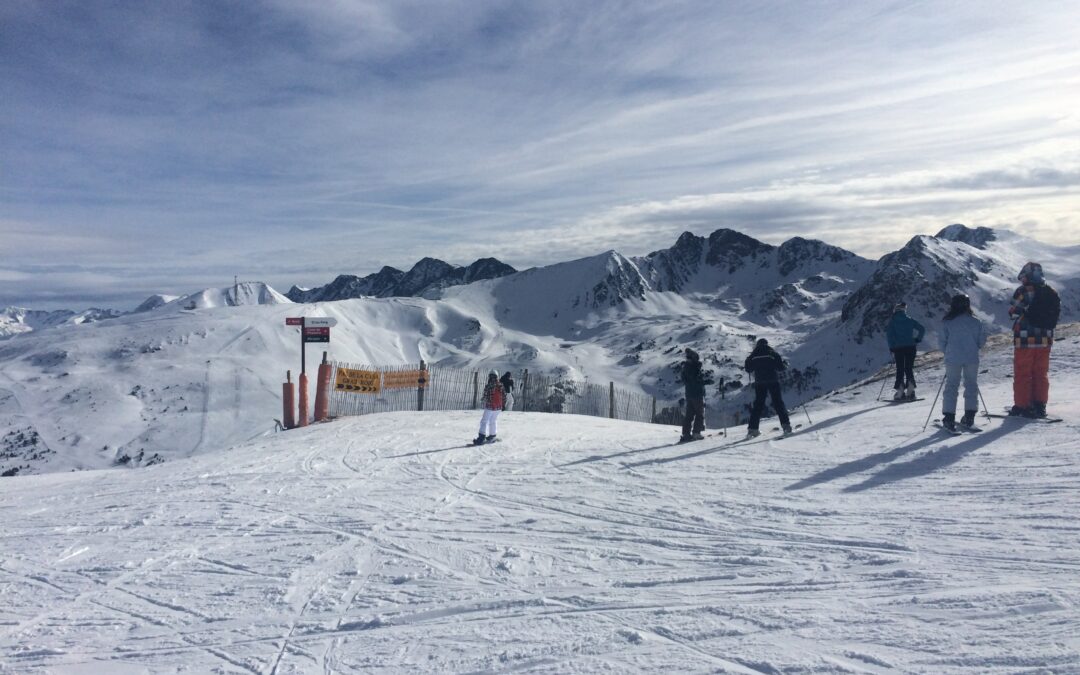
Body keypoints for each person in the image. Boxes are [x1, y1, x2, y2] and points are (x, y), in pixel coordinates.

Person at [1008, 262, 1060, 418]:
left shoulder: (1023, 291)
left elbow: (1014, 313)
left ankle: (1022, 406)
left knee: (1023, 373)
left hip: (1025, 340)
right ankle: (1040, 405)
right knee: (1041, 373)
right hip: (1045, 339)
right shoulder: (1052, 291)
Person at [939, 294, 986, 431]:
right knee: (971, 385)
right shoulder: (976, 322)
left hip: (953, 358)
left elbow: (942, 342)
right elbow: (981, 341)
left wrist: (947, 352)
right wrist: (973, 347)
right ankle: (969, 417)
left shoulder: (947, 322)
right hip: (971, 358)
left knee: (951, 386)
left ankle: (949, 419)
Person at [744, 338, 792, 437]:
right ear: (766, 344)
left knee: (758, 405)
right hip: (773, 380)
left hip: (759, 382)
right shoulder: (772, 353)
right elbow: (780, 367)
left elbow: (748, 369)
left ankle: (753, 429)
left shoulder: (754, 355)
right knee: (778, 403)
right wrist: (786, 365)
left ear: (758, 345)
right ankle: (786, 426)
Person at [885, 302, 926, 400]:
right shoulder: (909, 320)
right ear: (904, 310)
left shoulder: (892, 321)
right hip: (911, 347)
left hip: (898, 348)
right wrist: (917, 339)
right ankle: (911, 392)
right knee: (909, 368)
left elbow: (889, 336)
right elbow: (922, 329)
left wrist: (891, 347)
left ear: (895, 310)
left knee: (900, 369)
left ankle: (900, 392)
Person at [679, 348, 707, 442]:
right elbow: (697, 381)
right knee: (699, 414)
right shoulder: (694, 368)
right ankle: (696, 433)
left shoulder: (685, 368)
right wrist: (705, 382)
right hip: (697, 393)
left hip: (689, 394)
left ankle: (686, 433)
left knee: (689, 414)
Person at [473, 370, 504, 445]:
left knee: (484, 421)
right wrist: (503, 405)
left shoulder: (489, 385)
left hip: (490, 406)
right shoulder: (500, 385)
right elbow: (504, 395)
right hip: (498, 407)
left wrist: (483, 400)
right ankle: (492, 435)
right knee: (493, 420)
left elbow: (486, 395)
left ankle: (481, 437)